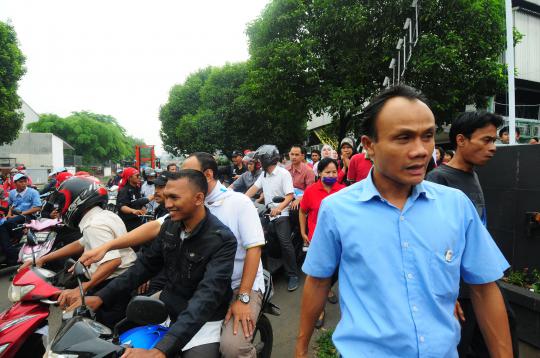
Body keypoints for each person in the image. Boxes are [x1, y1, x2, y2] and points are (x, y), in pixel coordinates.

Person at [295, 85, 512, 358]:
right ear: (369, 145)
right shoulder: (337, 209)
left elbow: (484, 288)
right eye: (404, 138)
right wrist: (301, 347)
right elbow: (318, 281)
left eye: (428, 136)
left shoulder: (456, 206)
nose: (420, 150)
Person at [69, 170, 238, 358]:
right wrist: (101, 297)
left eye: (174, 198)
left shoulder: (222, 240)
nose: (167, 204)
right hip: (168, 308)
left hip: (204, 322)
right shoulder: (170, 227)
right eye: (166, 197)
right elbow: (144, 267)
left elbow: (206, 298)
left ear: (198, 198)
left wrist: (161, 350)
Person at [426, 111, 519, 357]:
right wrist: (448, 294)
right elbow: (433, 240)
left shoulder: (472, 175)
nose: (493, 147)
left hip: (482, 282)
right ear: (461, 140)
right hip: (459, 291)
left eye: (494, 140)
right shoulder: (438, 179)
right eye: (486, 140)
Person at [20, 176, 137, 327]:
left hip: (111, 286)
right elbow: (81, 243)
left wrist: (80, 290)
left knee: (105, 331)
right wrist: (44, 258)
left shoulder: (94, 225)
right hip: (121, 281)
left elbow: (112, 262)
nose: (60, 208)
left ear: (77, 200)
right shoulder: (104, 215)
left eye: (62, 203)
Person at [182, 152, 266, 358]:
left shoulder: (238, 203)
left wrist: (243, 297)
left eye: (188, 174)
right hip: (205, 285)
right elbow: (157, 227)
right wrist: (108, 246)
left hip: (240, 285)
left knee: (233, 348)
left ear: (208, 174)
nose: (181, 180)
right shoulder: (191, 205)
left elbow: (254, 248)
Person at [298, 157, 345, 328]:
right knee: (318, 274)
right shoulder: (311, 191)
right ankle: (320, 309)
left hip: (338, 240)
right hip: (316, 240)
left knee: (335, 271)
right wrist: (303, 232)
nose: (331, 175)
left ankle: (327, 289)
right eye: (328, 172)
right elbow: (302, 212)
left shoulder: (343, 190)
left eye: (334, 172)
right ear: (319, 173)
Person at [245, 145, 300, 292]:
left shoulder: (283, 173)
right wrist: (240, 200)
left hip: (283, 213)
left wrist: (279, 208)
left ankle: (293, 274)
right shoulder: (264, 175)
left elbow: (290, 196)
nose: (258, 163)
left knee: (285, 242)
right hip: (269, 213)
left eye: (260, 160)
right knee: (256, 239)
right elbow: (253, 189)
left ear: (267, 159)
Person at [0, 173, 41, 266]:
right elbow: (11, 205)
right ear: (15, 183)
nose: (24, 184)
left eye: (25, 181)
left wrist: (19, 214)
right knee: (2, 226)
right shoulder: (12, 193)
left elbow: (38, 207)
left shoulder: (33, 192)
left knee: (8, 223)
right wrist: (8, 215)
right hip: (14, 217)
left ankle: (22, 234)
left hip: (28, 215)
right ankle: (11, 253)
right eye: (21, 182)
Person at [117, 167, 153, 233]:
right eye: (137, 176)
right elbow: (122, 207)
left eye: (139, 175)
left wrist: (143, 208)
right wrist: (133, 211)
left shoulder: (137, 188)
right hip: (127, 223)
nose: (139, 177)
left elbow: (138, 202)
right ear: (129, 178)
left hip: (137, 220)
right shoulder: (124, 190)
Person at [286, 145, 315, 210]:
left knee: (295, 209)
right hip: (288, 197)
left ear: (302, 156)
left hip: (303, 199)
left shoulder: (308, 171)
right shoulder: (286, 170)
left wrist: (299, 200)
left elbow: (310, 191)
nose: (294, 157)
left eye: (296, 155)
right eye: (292, 154)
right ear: (289, 155)